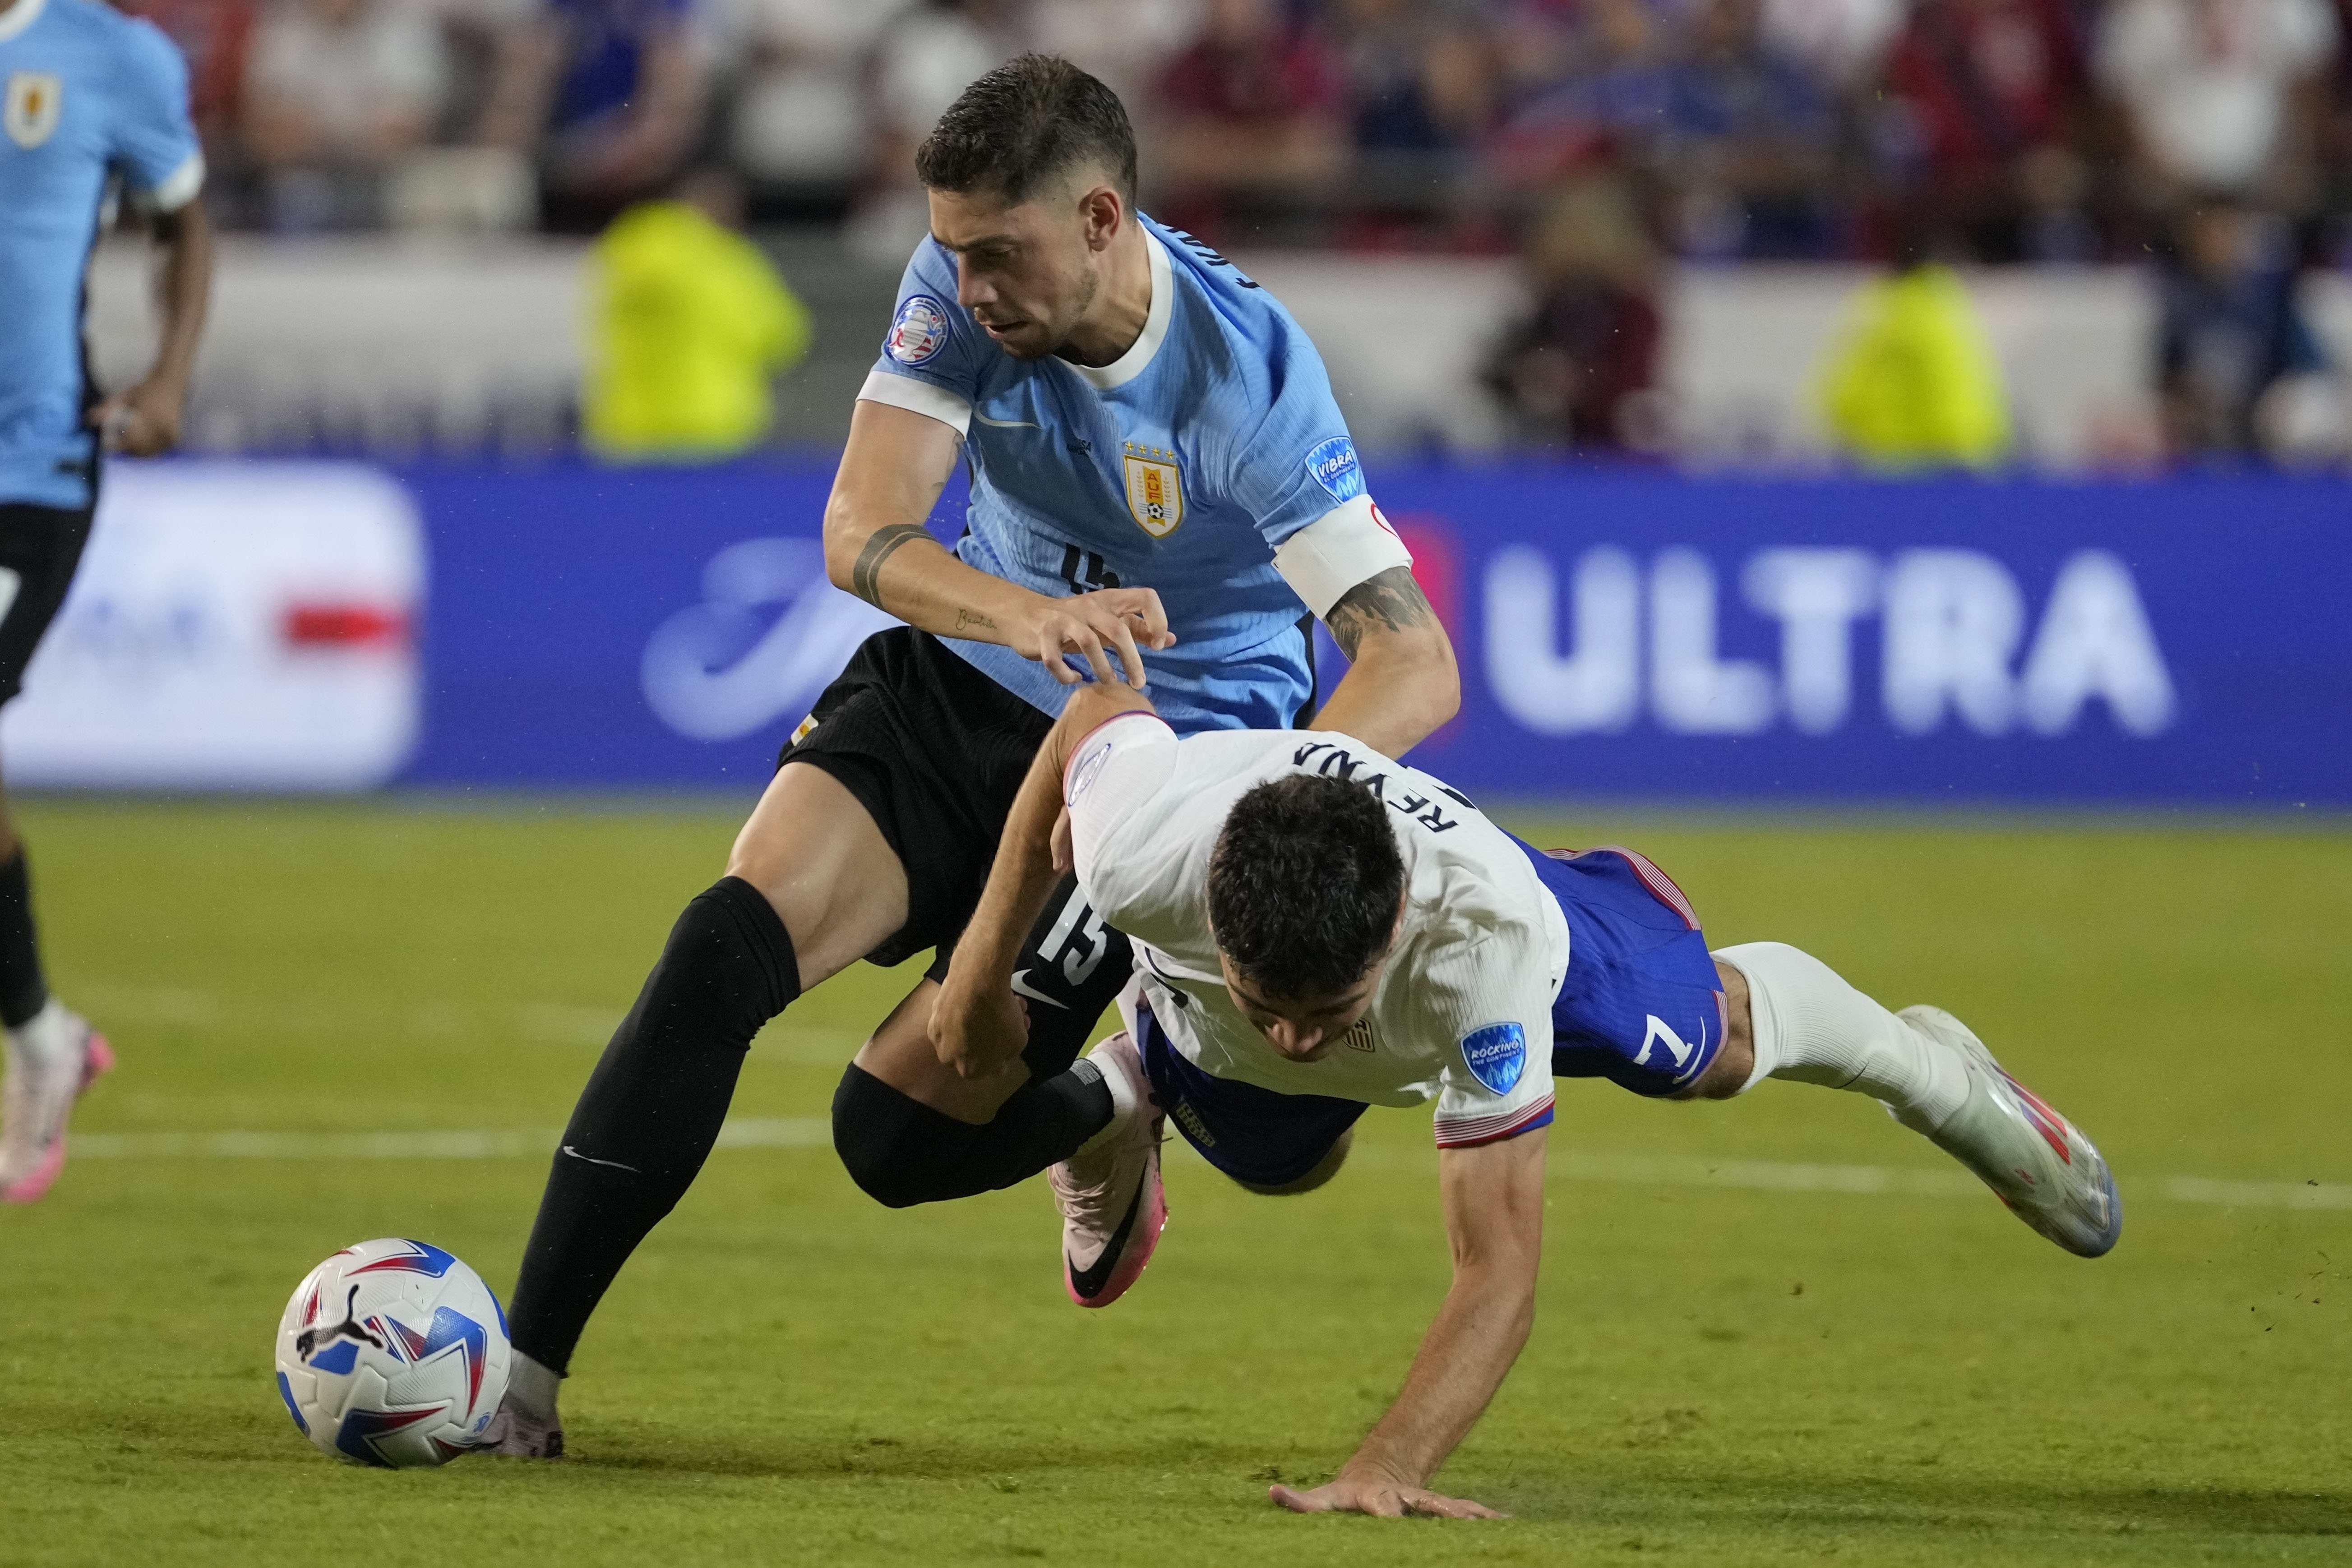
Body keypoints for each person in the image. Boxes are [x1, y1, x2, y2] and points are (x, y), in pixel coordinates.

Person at [482, 53, 1460, 1457]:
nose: (972, 287)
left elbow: (1414, 659)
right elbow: (860, 531)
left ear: (1104, 220)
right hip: (960, 677)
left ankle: (1119, 1100)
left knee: (888, 1141)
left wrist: (1248, 814)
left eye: (1000, 253)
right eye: (953, 250)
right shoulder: (954, 286)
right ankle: (520, 1384)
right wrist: (1029, 615)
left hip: (1149, 756)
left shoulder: (1246, 383)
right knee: (718, 948)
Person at [928, 677, 2121, 1517]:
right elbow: (1093, 715)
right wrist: (982, 967)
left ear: (1391, 931)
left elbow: (1497, 1267)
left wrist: (1387, 1462)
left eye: (1324, 1010)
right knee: (1284, 1164)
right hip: (1214, 1012)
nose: (1294, 1035)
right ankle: (1140, 1079)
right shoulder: (1143, 847)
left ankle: (1938, 1079)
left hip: (1539, 929)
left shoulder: (1482, 952)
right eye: (1268, 999)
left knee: (1698, 1049)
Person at [0, 0, 214, 1202]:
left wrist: (170, 373)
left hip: (28, 465)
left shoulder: (107, 54)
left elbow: (185, 219)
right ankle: (40, 1034)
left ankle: (37, 1037)